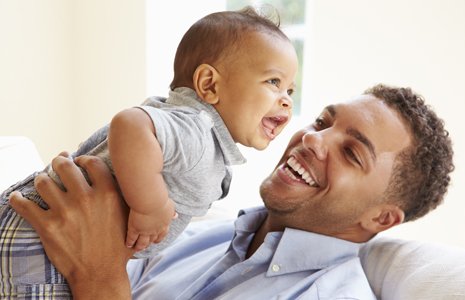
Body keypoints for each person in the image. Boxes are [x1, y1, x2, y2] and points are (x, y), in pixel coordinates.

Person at [10, 84, 454, 299]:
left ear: (380, 219)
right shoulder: (202, 234)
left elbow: (99, 276)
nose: (312, 139)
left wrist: (99, 278)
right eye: (322, 122)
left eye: (353, 153)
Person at [0, 6, 297, 299]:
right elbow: (129, 123)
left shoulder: (202, 138)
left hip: (56, 232)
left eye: (290, 91)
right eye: (273, 82)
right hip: (43, 234)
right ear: (209, 85)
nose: (285, 100)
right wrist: (150, 207)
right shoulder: (196, 129)